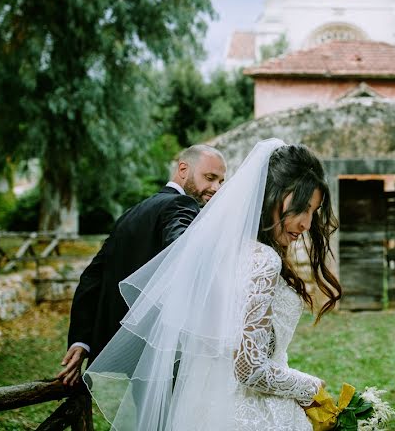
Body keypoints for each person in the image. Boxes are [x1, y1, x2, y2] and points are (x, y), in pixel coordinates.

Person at [84, 139, 342, 430]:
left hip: (200, 404)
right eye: (301, 208)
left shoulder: (223, 250)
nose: (307, 223)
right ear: (273, 195)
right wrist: (311, 388)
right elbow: (250, 368)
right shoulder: (263, 260)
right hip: (249, 411)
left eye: (313, 212)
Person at [58, 144, 226, 386]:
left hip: (135, 356)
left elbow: (92, 277)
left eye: (220, 181)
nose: (216, 188)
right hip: (169, 353)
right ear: (183, 169)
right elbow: (182, 247)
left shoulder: (132, 213)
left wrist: (81, 341)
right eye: (209, 178)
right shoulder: (182, 206)